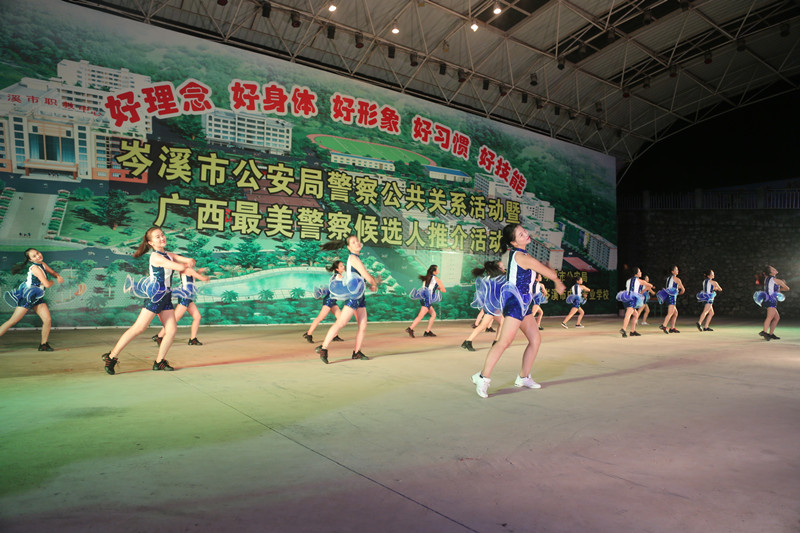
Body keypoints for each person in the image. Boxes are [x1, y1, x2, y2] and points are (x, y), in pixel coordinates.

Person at [471, 224, 566, 398]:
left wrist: (552, 274)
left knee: (535, 340)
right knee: (504, 342)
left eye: (524, 231)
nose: (526, 234)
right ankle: (482, 377)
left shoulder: (523, 254)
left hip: (523, 303)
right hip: (515, 303)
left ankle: (523, 377)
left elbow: (543, 270)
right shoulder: (521, 257)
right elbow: (548, 273)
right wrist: (557, 281)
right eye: (521, 234)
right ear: (514, 242)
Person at [101, 227, 204, 375]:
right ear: (151, 243)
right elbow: (179, 266)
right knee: (138, 328)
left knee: (171, 330)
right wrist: (186, 264)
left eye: (162, 235)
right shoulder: (156, 257)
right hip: (155, 297)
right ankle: (111, 357)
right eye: (157, 237)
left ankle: (159, 362)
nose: (162, 238)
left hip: (166, 297)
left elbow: (184, 260)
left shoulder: (168, 255)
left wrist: (189, 260)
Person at [315, 235, 378, 364]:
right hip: (354, 297)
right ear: (349, 247)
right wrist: (374, 283)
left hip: (359, 296)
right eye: (353, 242)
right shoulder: (353, 258)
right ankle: (323, 348)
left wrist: (371, 284)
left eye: (357, 241)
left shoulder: (356, 258)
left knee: (363, 325)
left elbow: (361, 278)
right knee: (341, 323)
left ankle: (356, 352)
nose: (357, 243)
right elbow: (366, 275)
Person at [1, 248, 64, 351]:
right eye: (34, 256)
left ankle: (43, 345)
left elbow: (52, 272)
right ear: (31, 260)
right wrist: (53, 281)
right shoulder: (35, 268)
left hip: (37, 297)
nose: (38, 256)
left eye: (37, 253)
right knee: (12, 321)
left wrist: (58, 276)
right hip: (28, 297)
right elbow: (47, 284)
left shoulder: (42, 264)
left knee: (47, 320)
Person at [153, 267, 211, 346]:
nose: (192, 263)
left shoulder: (187, 270)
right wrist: (206, 277)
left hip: (187, 297)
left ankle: (193, 339)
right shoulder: (188, 270)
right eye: (191, 262)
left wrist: (199, 272)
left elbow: (192, 278)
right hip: (185, 298)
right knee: (174, 320)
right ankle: (159, 336)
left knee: (197, 317)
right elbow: (201, 278)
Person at [461, 260, 505, 352]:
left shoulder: (488, 278)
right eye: (502, 266)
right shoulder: (498, 279)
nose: (504, 268)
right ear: (498, 269)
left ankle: (496, 341)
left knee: (502, 322)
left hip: (490, 306)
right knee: (484, 325)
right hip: (492, 306)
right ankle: (468, 341)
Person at [303, 260, 346, 344]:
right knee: (320, 318)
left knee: (341, 319)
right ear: (337, 269)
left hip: (333, 300)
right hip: (329, 300)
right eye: (341, 266)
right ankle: (309, 334)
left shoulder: (336, 276)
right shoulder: (339, 277)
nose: (343, 267)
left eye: (343, 265)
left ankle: (334, 335)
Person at [406, 265, 446, 338]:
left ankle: (427, 331)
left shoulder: (426, 278)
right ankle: (410, 328)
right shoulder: (437, 279)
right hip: (427, 300)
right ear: (434, 272)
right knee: (420, 316)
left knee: (433, 314)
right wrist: (438, 288)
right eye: (437, 269)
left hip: (423, 298)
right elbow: (444, 290)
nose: (438, 271)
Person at [754, 265, 790, 341]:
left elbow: (772, 288)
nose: (775, 269)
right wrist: (781, 284)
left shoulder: (767, 279)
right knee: (770, 317)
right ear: (770, 273)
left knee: (776, 318)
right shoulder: (776, 280)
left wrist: (779, 286)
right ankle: (764, 332)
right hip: (771, 300)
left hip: (768, 299)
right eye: (773, 269)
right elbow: (787, 288)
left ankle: (770, 334)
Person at [616, 267, 652, 337]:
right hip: (633, 298)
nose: (641, 273)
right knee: (628, 313)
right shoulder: (639, 281)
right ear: (636, 273)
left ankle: (632, 331)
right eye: (639, 271)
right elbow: (650, 285)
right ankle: (623, 329)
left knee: (635, 314)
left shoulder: (628, 280)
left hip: (626, 297)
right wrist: (643, 290)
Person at [657, 265, 685, 333]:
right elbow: (683, 290)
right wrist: (680, 292)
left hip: (667, 296)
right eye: (676, 269)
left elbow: (670, 287)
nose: (677, 271)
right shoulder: (677, 279)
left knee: (675, 313)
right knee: (670, 313)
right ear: (672, 271)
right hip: (672, 297)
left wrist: (677, 289)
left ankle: (672, 328)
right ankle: (664, 325)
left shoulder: (668, 278)